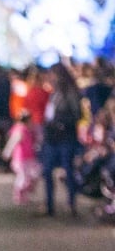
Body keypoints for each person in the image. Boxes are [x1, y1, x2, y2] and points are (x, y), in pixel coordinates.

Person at [39, 61, 83, 217]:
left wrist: (60, 122)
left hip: (65, 138)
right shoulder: (55, 93)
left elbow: (77, 115)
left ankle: (71, 204)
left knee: (68, 171)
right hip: (52, 138)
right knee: (47, 170)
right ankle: (49, 204)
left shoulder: (69, 92)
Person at [3, 110, 41, 206]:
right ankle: (19, 195)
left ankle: (26, 192)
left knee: (34, 174)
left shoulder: (31, 130)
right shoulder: (20, 130)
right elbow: (13, 142)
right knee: (23, 177)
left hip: (30, 157)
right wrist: (7, 152)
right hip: (21, 159)